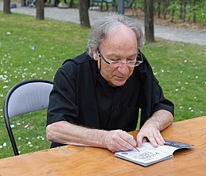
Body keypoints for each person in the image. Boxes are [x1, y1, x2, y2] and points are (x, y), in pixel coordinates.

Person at [46, 14, 174, 152]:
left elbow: (163, 108)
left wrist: (153, 124)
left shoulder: (139, 66)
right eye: (114, 59)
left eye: (131, 59)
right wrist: (104, 138)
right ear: (96, 53)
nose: (124, 70)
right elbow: (54, 130)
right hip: (74, 159)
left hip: (122, 157)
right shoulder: (72, 72)